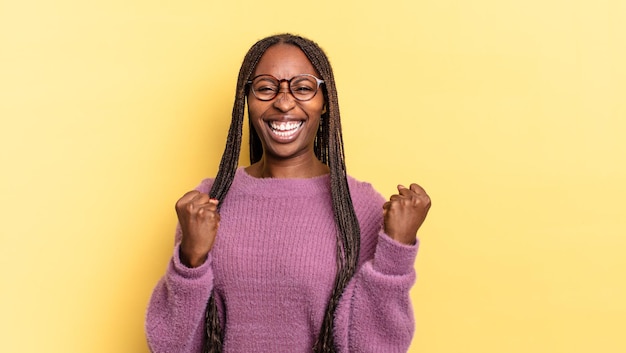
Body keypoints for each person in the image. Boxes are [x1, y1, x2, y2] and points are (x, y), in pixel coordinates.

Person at [145, 33, 431, 353]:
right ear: (247, 101)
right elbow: (168, 346)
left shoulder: (362, 209)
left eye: (303, 87)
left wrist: (397, 250)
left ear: (324, 102)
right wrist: (190, 261)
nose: (283, 102)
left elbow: (375, 348)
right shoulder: (208, 202)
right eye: (266, 88)